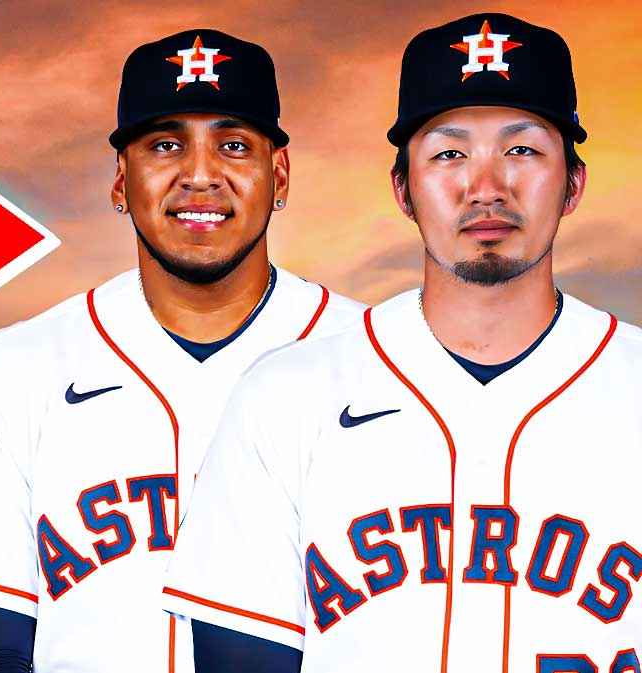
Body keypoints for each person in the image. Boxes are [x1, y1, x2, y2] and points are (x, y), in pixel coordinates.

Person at [162, 13, 640, 673]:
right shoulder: (287, 397)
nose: (486, 186)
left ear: (575, 183)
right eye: (449, 153)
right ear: (403, 189)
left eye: (523, 149)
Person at [0, 28, 363, 673]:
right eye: (165, 145)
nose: (202, 175)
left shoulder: (381, 363)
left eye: (234, 145)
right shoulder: (16, 369)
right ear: (121, 180)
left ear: (280, 174)